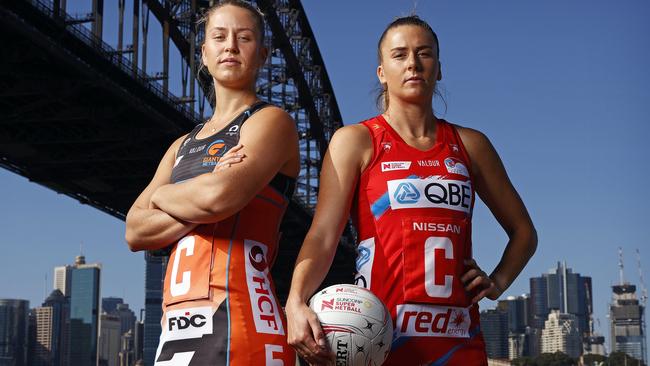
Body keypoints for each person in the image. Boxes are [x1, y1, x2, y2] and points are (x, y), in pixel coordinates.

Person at [285, 15, 537, 366]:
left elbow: (524, 232)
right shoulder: (357, 142)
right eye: (400, 54)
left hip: (458, 341)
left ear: (439, 68)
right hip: (379, 341)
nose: (414, 64)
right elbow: (324, 236)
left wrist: (497, 281)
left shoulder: (470, 145)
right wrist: (295, 300)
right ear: (381, 72)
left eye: (424, 53)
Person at [124, 1, 299, 365]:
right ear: (203, 53)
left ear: (263, 54)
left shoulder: (271, 122)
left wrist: (162, 194)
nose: (230, 46)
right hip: (175, 331)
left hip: (241, 322)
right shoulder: (181, 145)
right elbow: (135, 230)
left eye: (244, 37)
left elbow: (217, 199)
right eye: (219, 37)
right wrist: (208, 187)